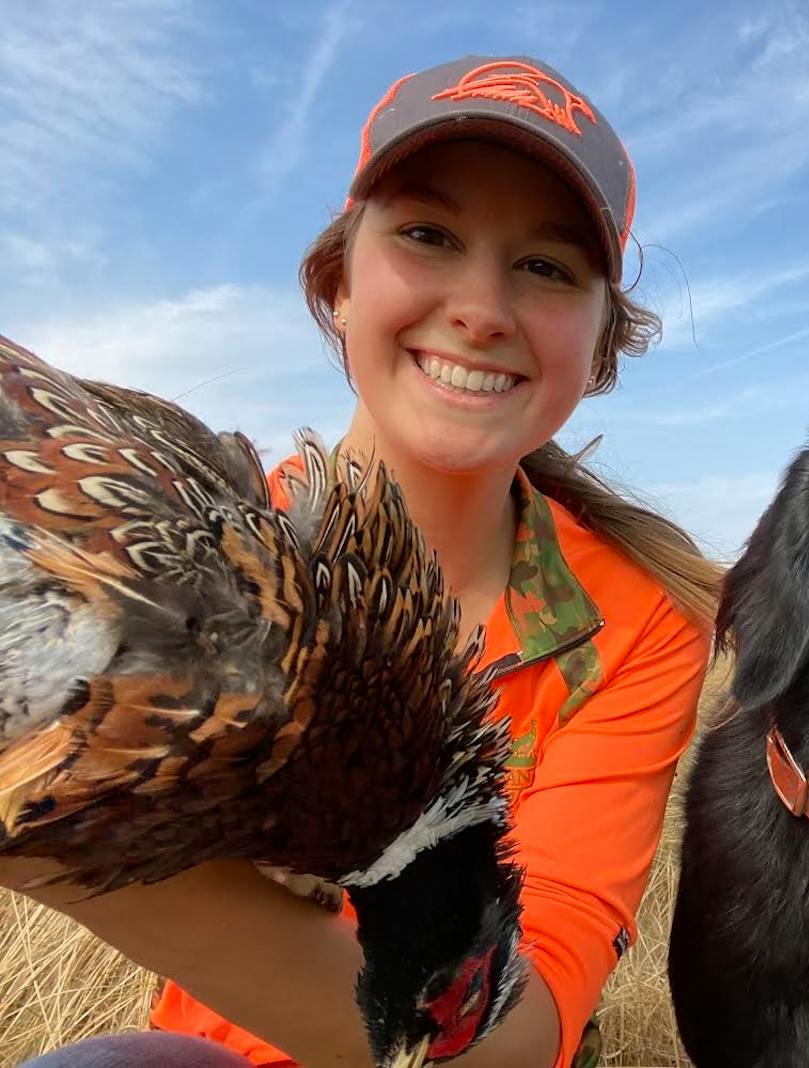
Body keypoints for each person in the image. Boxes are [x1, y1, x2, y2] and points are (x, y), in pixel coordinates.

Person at [5, 53, 719, 1068]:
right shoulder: (211, 536)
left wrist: (44, 829)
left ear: (600, 350)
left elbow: (517, 1038)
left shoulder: (634, 625)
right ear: (337, 285)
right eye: (429, 236)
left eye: (546, 266)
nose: (480, 306)